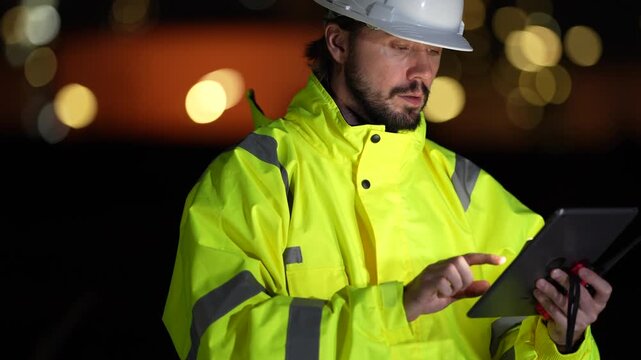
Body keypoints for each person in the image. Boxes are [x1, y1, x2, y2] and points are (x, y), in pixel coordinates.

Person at [162, 0, 612, 358]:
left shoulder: (470, 191)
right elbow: (220, 342)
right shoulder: (254, 180)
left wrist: (562, 340)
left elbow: (517, 345)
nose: (422, 72)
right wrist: (394, 310)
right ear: (338, 43)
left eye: (434, 51)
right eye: (400, 46)